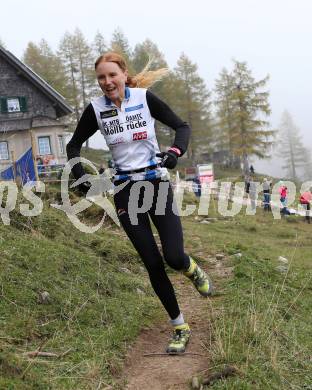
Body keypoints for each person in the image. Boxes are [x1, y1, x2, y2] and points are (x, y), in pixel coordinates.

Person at [66, 52, 213, 354]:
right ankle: (180, 327)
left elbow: (182, 126)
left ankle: (190, 267)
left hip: (156, 184)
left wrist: (174, 152)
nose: (107, 82)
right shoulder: (96, 109)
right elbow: (73, 145)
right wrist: (81, 179)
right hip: (124, 191)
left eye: (112, 75)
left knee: (173, 256)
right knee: (152, 262)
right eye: (101, 78)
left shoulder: (144, 98)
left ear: (123, 74)